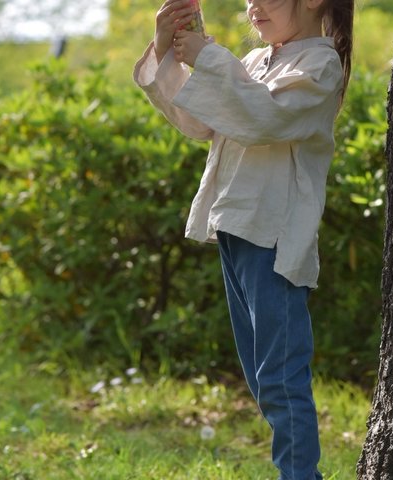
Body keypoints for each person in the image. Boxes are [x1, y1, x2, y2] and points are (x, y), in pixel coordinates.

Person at [133, 0, 354, 478]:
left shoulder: (320, 63)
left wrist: (209, 58)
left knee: (280, 377)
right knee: (262, 376)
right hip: (235, 227)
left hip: (274, 235)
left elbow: (264, 119)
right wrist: (170, 49)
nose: (252, 6)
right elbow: (200, 122)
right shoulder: (255, 61)